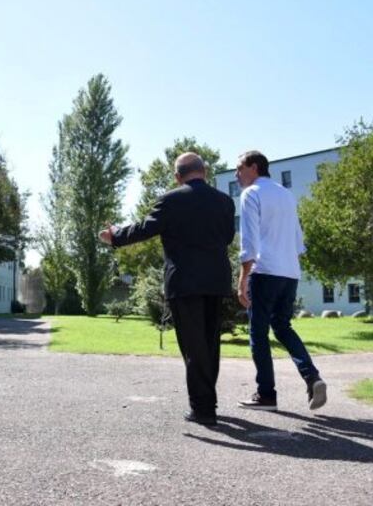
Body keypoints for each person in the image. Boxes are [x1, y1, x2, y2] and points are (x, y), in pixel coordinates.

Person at [99, 152, 235, 426]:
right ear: (204, 172)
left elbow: (145, 228)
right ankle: (208, 401)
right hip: (216, 281)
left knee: (193, 347)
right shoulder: (225, 201)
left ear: (177, 176)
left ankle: (204, 409)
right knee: (209, 344)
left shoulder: (171, 200)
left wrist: (115, 236)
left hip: (185, 282)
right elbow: (228, 236)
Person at [234, 150, 326, 411]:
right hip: (290, 272)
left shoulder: (251, 193)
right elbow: (298, 240)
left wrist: (243, 278)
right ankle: (312, 377)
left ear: (253, 167)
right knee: (283, 327)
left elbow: (248, 240)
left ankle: (266, 395)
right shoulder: (286, 194)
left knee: (258, 333)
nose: (237, 175)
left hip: (264, 272)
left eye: (239, 168)